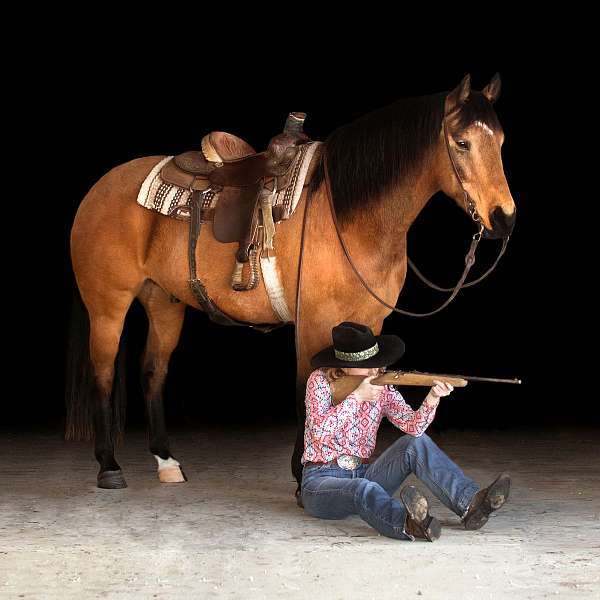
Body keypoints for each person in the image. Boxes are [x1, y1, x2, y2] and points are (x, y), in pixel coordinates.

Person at [300, 321, 511, 541]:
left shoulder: (382, 385)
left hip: (365, 472)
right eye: (367, 364)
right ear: (343, 365)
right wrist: (357, 398)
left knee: (415, 444)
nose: (375, 370)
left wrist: (432, 399)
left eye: (377, 363)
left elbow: (414, 427)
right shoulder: (320, 381)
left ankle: (471, 504)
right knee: (361, 488)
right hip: (320, 481)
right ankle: (408, 524)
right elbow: (319, 432)